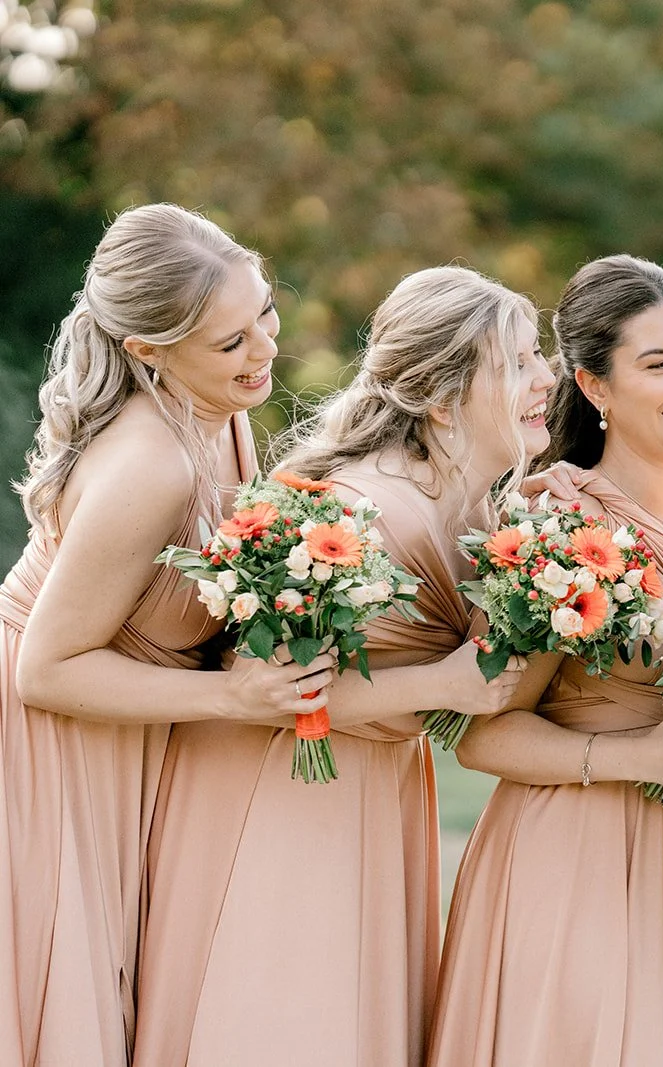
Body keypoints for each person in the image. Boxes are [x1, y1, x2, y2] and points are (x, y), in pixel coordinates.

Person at [131, 265, 537, 1066]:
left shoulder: (475, 501)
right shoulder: (362, 507)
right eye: (519, 362)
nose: (547, 378)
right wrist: (446, 685)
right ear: (444, 398)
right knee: (288, 1022)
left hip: (369, 786)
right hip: (282, 790)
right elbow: (274, 687)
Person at [0, 203, 330, 1065]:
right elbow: (45, 668)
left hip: (122, 734)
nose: (263, 349)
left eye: (264, 312)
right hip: (46, 744)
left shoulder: (220, 408)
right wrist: (232, 693)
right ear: (147, 350)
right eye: (230, 342)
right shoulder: (154, 462)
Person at [428, 255, 663, 1066]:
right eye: (657, 364)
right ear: (593, 386)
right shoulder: (555, 523)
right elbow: (481, 733)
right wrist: (641, 755)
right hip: (579, 859)